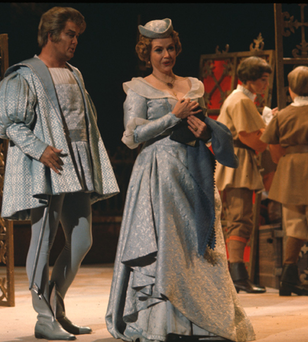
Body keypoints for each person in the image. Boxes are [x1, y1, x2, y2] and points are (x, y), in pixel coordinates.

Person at [105, 18, 255, 342]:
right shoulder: (137, 88)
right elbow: (132, 137)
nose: (166, 55)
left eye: (170, 48)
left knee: (199, 245)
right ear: (147, 52)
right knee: (169, 247)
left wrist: (203, 130)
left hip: (194, 170)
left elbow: (201, 124)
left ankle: (204, 320)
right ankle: (166, 322)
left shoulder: (193, 85)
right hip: (159, 175)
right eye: (159, 49)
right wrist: (171, 116)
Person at [0, 6, 119, 341]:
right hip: (45, 167)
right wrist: (39, 148)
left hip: (75, 165)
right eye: (70, 34)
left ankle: (54, 301)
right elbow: (8, 124)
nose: (75, 41)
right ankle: (42, 316)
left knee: (81, 241)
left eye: (78, 35)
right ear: (51, 35)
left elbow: (82, 123)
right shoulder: (26, 74)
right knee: (43, 239)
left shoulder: (75, 73)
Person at [215, 56, 274, 294]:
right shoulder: (240, 101)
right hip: (237, 164)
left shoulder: (242, 99)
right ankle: (238, 275)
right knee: (240, 219)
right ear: (249, 80)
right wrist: (270, 129)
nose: (265, 85)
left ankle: (237, 275)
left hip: (238, 162)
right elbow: (252, 138)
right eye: (262, 80)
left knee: (240, 219)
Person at [260, 66, 308, 296]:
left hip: (291, 172)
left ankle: (288, 277)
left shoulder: (283, 115)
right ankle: (290, 278)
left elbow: (273, 149)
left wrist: (287, 166)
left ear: (290, 90)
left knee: (295, 224)